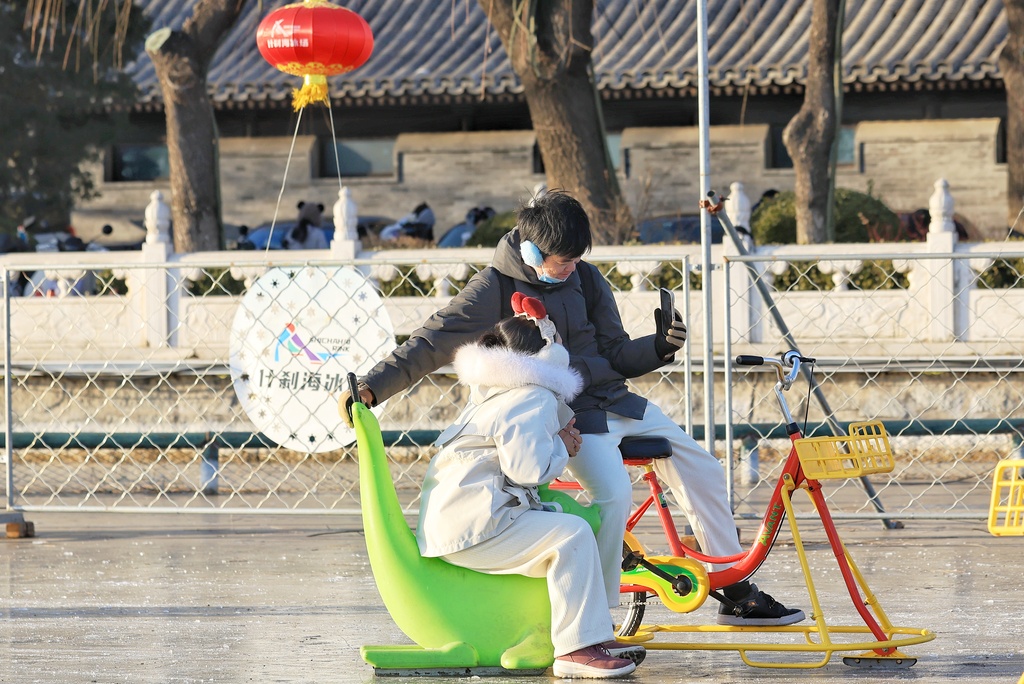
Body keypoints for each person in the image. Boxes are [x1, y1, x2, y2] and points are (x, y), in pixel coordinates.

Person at [343, 189, 804, 627]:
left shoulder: (586, 277)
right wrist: (371, 388)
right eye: (562, 261)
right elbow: (432, 341)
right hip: (565, 417)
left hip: (615, 400)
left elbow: (616, 351)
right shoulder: (493, 287)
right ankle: (596, 617)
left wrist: (660, 347)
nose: (570, 269)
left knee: (701, 466)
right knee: (614, 496)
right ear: (530, 251)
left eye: (577, 259)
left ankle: (736, 590)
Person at [415, 295, 641, 678]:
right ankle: (575, 650)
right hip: (474, 528)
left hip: (465, 521)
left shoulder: (492, 391)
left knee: (567, 530)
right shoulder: (530, 394)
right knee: (572, 535)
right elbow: (527, 469)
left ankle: (591, 635)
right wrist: (563, 446)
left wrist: (554, 436)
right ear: (548, 360)